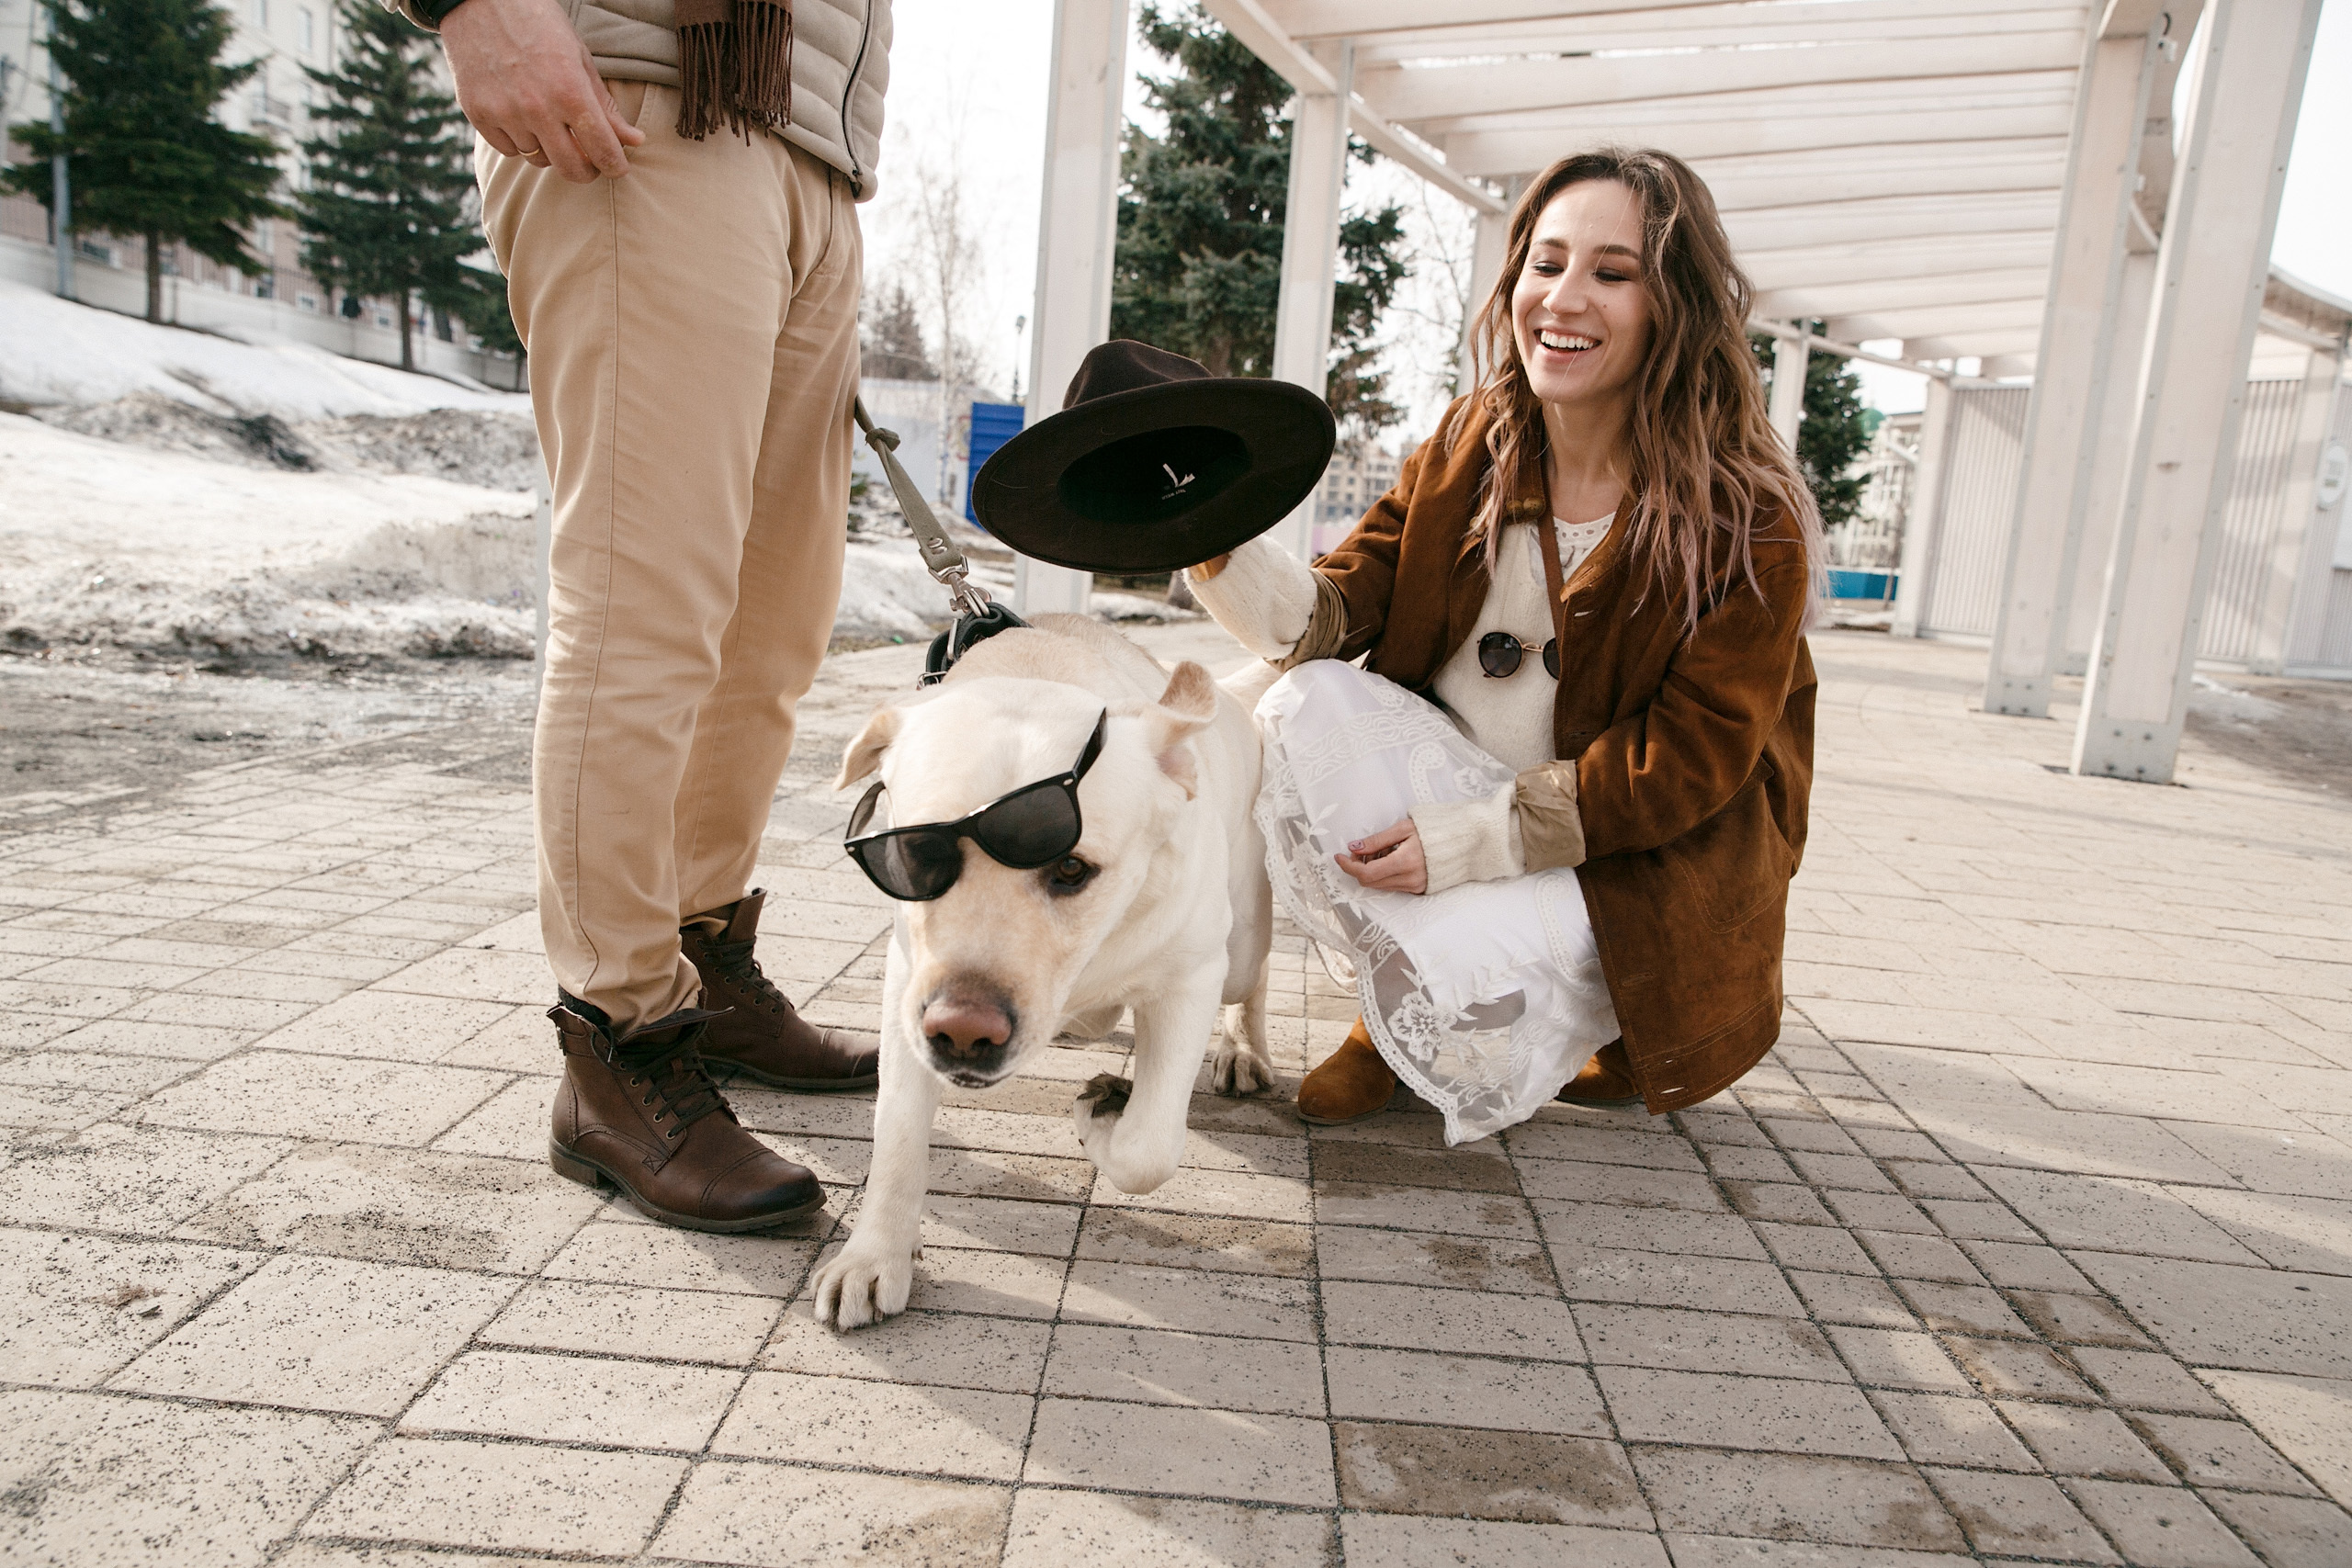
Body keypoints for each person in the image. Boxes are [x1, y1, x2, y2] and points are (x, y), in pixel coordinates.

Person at [1187, 148, 1820, 1141]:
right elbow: (1333, 612)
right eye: (1545, 262)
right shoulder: (1469, 445)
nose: (1562, 299)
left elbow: (1685, 766)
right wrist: (1208, 532)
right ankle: (1391, 1020)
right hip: (1457, 789)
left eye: (1612, 273)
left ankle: (1606, 1006)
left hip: (1621, 854)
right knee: (1302, 699)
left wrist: (1471, 841)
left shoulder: (1746, 519)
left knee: (1507, 965)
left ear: (1676, 306)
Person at [390, 0, 894, 1228]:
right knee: (644, 616)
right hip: (638, 109)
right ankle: (618, 1040)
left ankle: (702, 957)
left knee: (767, 636)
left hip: (807, 147)